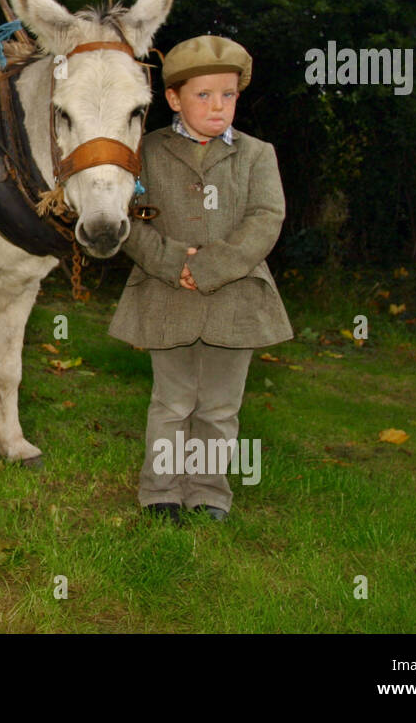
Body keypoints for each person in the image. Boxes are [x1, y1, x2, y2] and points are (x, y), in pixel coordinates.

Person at [107, 35, 293, 523]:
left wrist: (208, 266)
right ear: (173, 98)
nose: (217, 106)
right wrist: (173, 263)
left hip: (237, 300)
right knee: (171, 403)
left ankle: (209, 493)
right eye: (203, 95)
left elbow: (266, 219)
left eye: (227, 94)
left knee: (218, 408)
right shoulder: (144, 151)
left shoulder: (258, 154)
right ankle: (161, 493)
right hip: (167, 297)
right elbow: (128, 216)